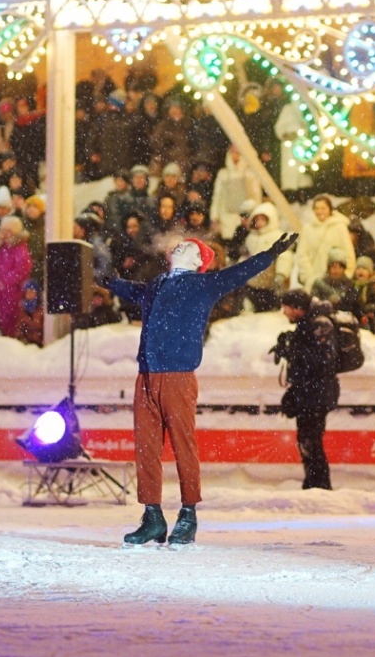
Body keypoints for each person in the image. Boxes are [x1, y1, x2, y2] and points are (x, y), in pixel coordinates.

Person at [106, 232, 297, 546]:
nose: (182, 244)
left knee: (183, 445)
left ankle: (188, 513)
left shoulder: (205, 284)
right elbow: (135, 290)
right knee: (146, 448)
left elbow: (241, 272)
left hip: (178, 376)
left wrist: (269, 254)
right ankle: (152, 515)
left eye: (191, 246)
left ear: (198, 261)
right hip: (146, 376)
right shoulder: (157, 284)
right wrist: (110, 282)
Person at [275, 291, 340, 490]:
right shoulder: (307, 325)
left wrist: (293, 350)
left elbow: (323, 361)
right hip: (309, 392)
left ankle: (319, 486)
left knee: (311, 441)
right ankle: (312, 483)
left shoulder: (320, 324)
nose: (284, 312)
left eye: (286, 307)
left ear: (297, 308)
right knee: (306, 439)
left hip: (317, 393)